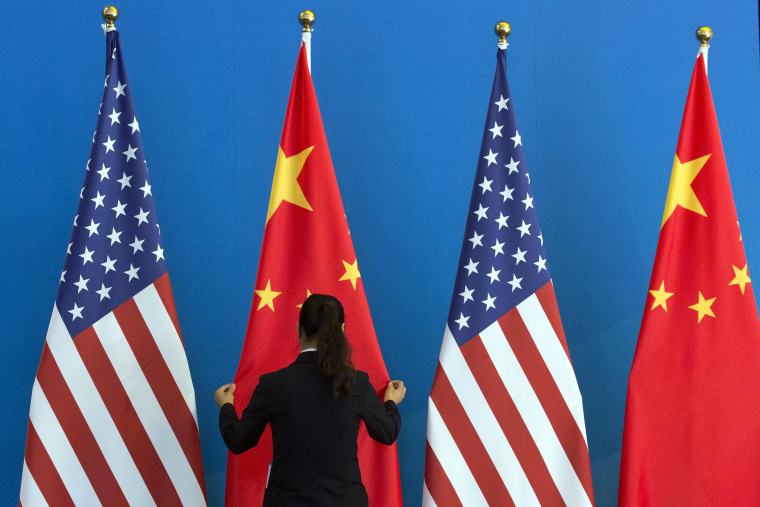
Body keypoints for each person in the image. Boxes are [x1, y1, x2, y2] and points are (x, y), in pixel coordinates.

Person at [215, 293, 406, 506]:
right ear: (342, 331)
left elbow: (238, 440)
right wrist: (390, 401)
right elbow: (387, 433)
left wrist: (226, 406)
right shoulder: (357, 383)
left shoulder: (273, 384)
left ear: (299, 329)